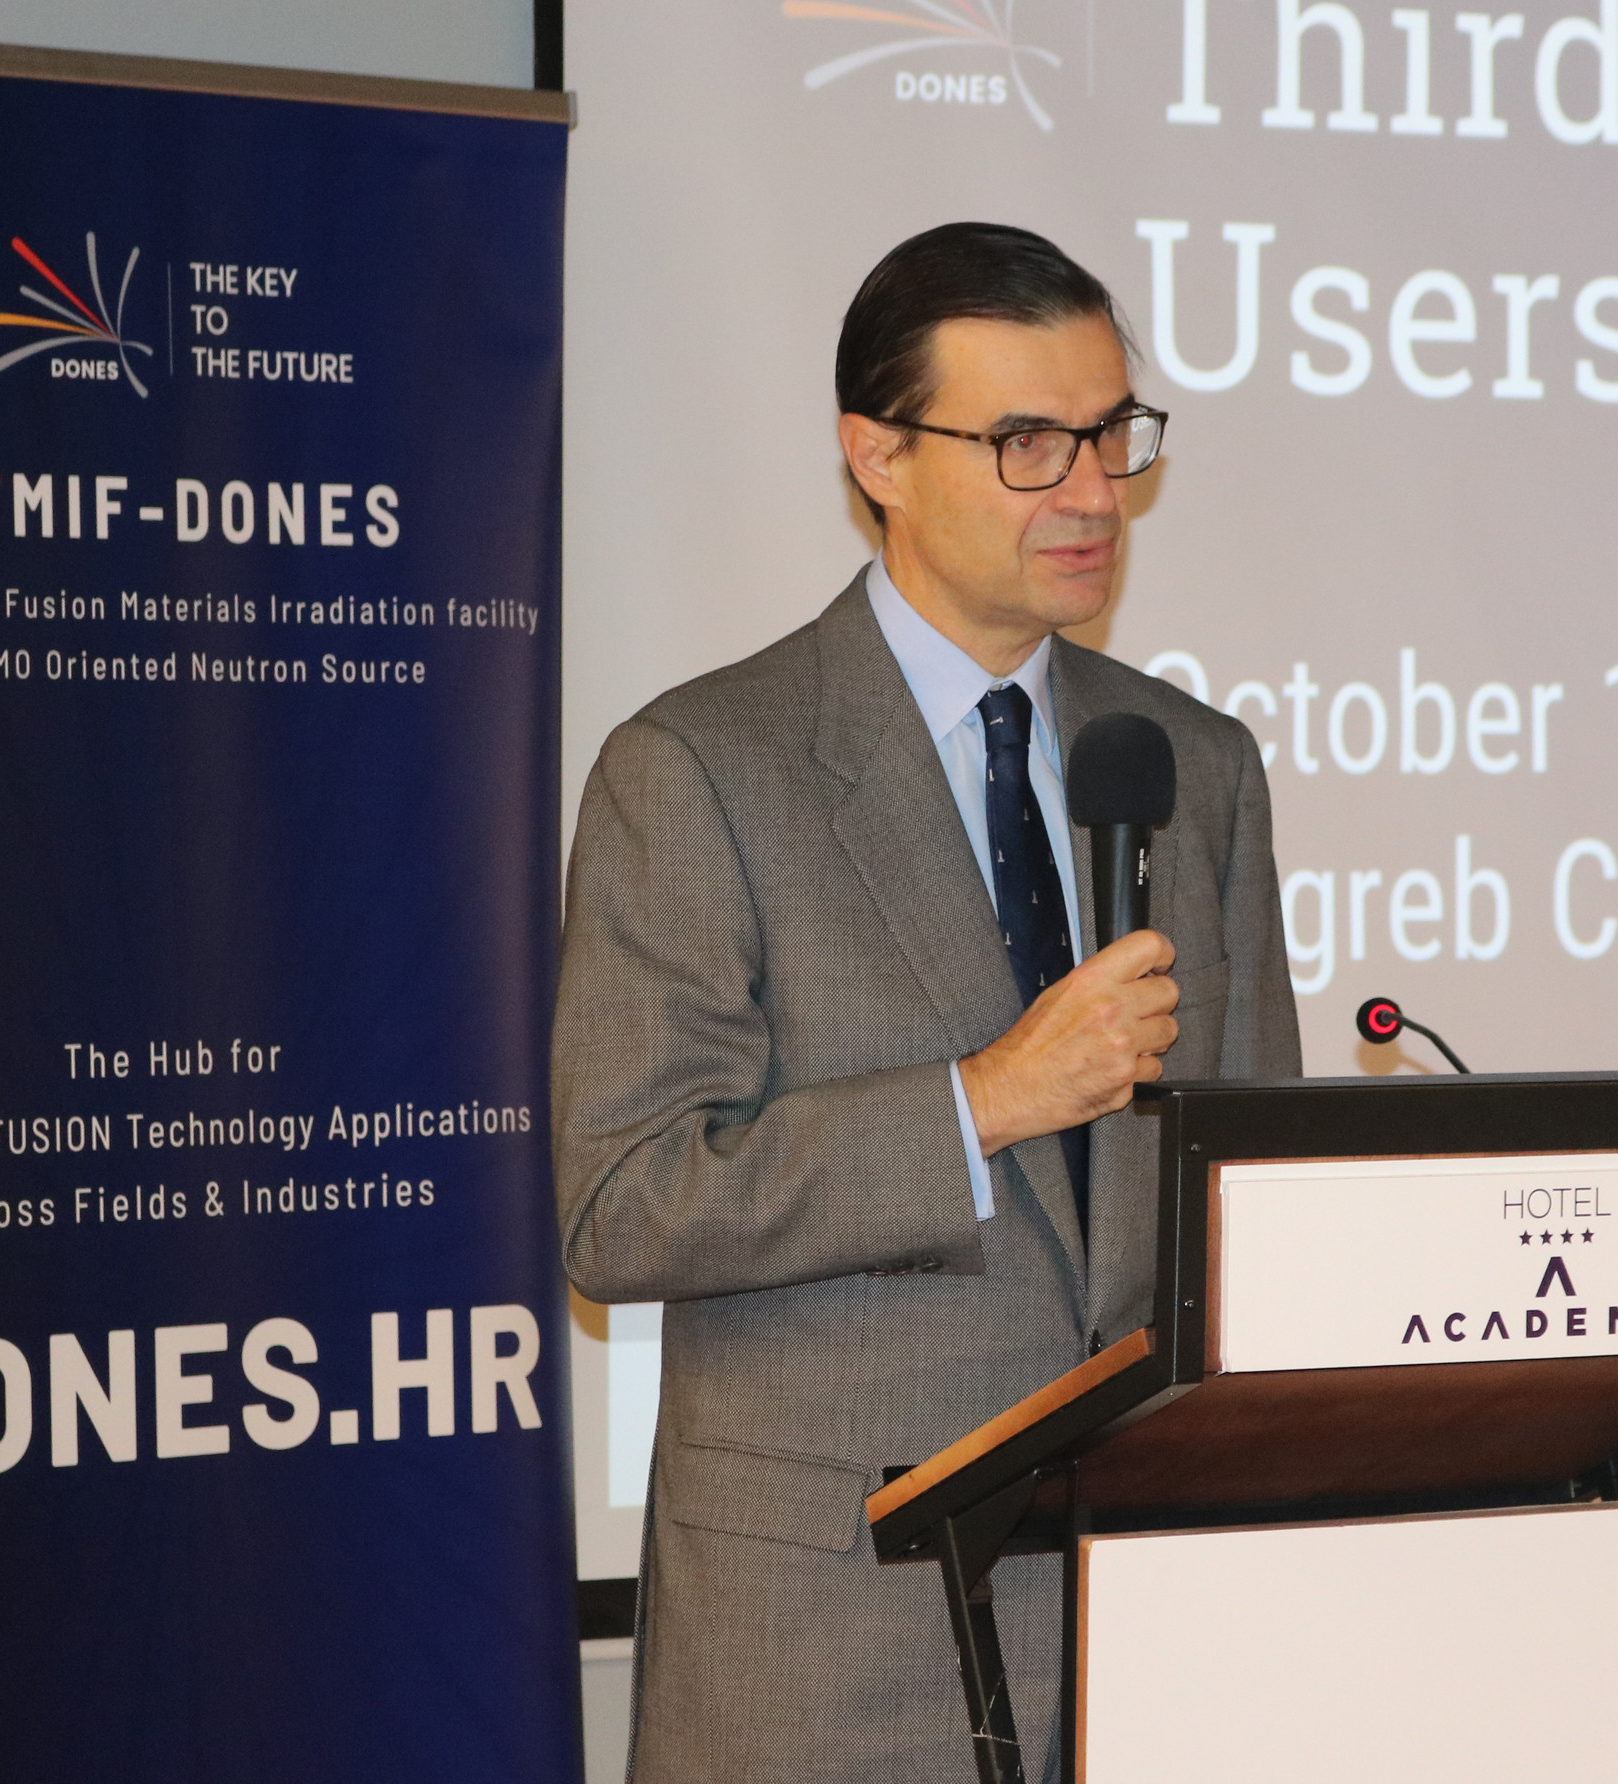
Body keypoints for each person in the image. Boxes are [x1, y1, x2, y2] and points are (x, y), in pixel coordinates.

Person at [552, 221, 1302, 1783]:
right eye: (1028, 443)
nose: (1093, 493)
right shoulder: (698, 771)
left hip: (1157, 1648)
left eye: (1111, 433)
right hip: (836, 1647)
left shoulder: (1192, 766)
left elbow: (1252, 1200)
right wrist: (982, 1103)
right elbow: (623, 1210)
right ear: (878, 454)